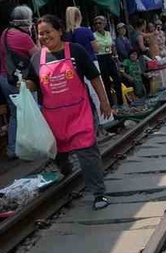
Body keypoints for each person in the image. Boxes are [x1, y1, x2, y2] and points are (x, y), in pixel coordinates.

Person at [25, 15, 112, 210]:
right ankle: (66, 172)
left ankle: (99, 194)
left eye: (48, 32)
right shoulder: (37, 58)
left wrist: (104, 103)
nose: (45, 37)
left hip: (80, 113)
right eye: (41, 34)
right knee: (58, 155)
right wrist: (23, 85)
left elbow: (94, 78)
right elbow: (32, 81)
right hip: (53, 118)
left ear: (59, 31)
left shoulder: (75, 51)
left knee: (87, 152)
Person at [0, 5, 39, 160]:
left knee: (15, 114)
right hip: (20, 80)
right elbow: (37, 57)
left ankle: (12, 148)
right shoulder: (23, 37)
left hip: (5, 78)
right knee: (31, 113)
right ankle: (33, 146)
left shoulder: (5, 33)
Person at [93, 16, 123, 106]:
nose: (98, 25)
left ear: (105, 24)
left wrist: (116, 57)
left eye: (100, 23)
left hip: (109, 57)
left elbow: (112, 45)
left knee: (117, 79)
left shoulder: (108, 33)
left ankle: (120, 101)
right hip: (100, 58)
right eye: (96, 23)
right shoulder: (93, 35)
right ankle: (111, 103)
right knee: (106, 82)